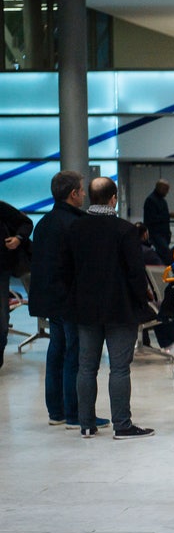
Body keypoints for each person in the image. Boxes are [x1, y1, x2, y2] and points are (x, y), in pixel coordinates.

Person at [61, 178, 156, 440]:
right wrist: (142, 301)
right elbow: (136, 273)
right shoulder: (124, 230)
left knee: (86, 366)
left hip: (85, 309)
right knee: (119, 368)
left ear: (90, 197)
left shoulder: (75, 228)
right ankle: (122, 425)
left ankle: (86, 424)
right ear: (113, 198)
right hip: (119, 308)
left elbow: (67, 269)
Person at [29, 171, 110, 431]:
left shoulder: (44, 223)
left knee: (57, 352)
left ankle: (57, 411)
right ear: (73, 194)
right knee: (74, 356)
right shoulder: (75, 224)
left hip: (49, 299)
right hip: (70, 299)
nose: (85, 195)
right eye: (82, 191)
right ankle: (75, 413)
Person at [133, 223, 174, 358]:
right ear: (145, 234)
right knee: (165, 302)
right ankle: (173, 343)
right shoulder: (147, 253)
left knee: (156, 301)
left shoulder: (127, 252)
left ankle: (146, 342)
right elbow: (163, 274)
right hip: (143, 305)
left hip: (127, 304)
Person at [1, 199, 32, 369]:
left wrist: (18, 239)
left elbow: (25, 223)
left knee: (2, 320)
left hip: (1, 270)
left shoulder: (2, 207)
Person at [143, 179, 174, 263]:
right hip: (156, 234)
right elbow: (151, 218)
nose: (167, 192)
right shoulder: (151, 200)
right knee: (166, 254)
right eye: (166, 189)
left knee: (162, 255)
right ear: (160, 188)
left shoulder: (162, 200)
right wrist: (168, 215)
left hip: (163, 234)